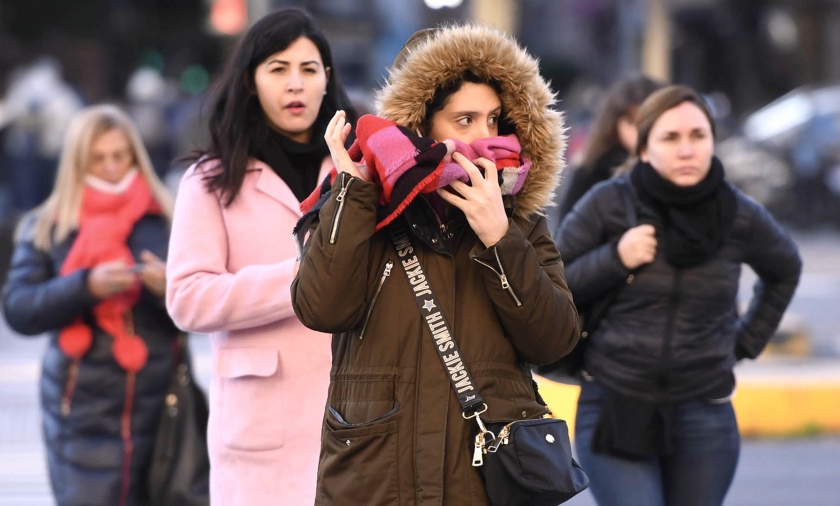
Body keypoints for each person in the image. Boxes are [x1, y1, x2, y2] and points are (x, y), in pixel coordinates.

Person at [291, 24, 579, 504]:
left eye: (495, 121)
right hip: (377, 479)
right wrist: (354, 194)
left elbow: (555, 341)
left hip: (481, 482)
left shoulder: (521, 223)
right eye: (464, 120)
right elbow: (321, 308)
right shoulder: (362, 206)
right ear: (419, 125)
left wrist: (499, 238)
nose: (485, 139)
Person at [556, 85, 802, 506]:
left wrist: (744, 343)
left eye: (698, 136)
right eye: (671, 138)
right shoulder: (608, 202)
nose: (687, 149)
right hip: (615, 400)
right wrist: (615, 258)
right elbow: (553, 285)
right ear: (645, 148)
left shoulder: (738, 213)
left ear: (712, 141)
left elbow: (784, 268)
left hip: (703, 409)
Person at [164, 8, 357, 505]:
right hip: (261, 428)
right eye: (278, 69)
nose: (295, 84)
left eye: (308, 69)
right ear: (250, 81)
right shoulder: (209, 180)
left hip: (360, 417)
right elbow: (187, 298)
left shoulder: (359, 170)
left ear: (327, 80)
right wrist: (300, 279)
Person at [1, 104, 180, 505]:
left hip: (158, 403)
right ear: (77, 162)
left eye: (121, 156)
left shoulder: (166, 218)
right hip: (80, 408)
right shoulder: (48, 223)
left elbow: (197, 315)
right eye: (98, 159)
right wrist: (84, 286)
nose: (112, 168)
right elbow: (19, 309)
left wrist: (168, 288)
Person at [558, 74, 664, 220]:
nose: (640, 132)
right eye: (632, 123)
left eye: (648, 122)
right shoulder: (591, 174)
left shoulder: (675, 168)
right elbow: (567, 234)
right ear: (614, 124)